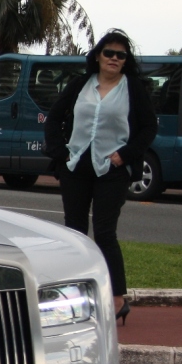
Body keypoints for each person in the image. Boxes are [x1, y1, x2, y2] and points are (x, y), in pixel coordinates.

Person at [44, 29, 157, 325]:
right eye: (109, 53)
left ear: (125, 61)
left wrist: (127, 154)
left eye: (121, 55)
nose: (114, 59)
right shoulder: (81, 84)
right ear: (98, 56)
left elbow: (149, 127)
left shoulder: (132, 88)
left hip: (112, 168)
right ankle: (73, 294)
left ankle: (118, 298)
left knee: (105, 233)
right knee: (75, 232)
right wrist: (60, 152)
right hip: (77, 165)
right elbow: (53, 117)